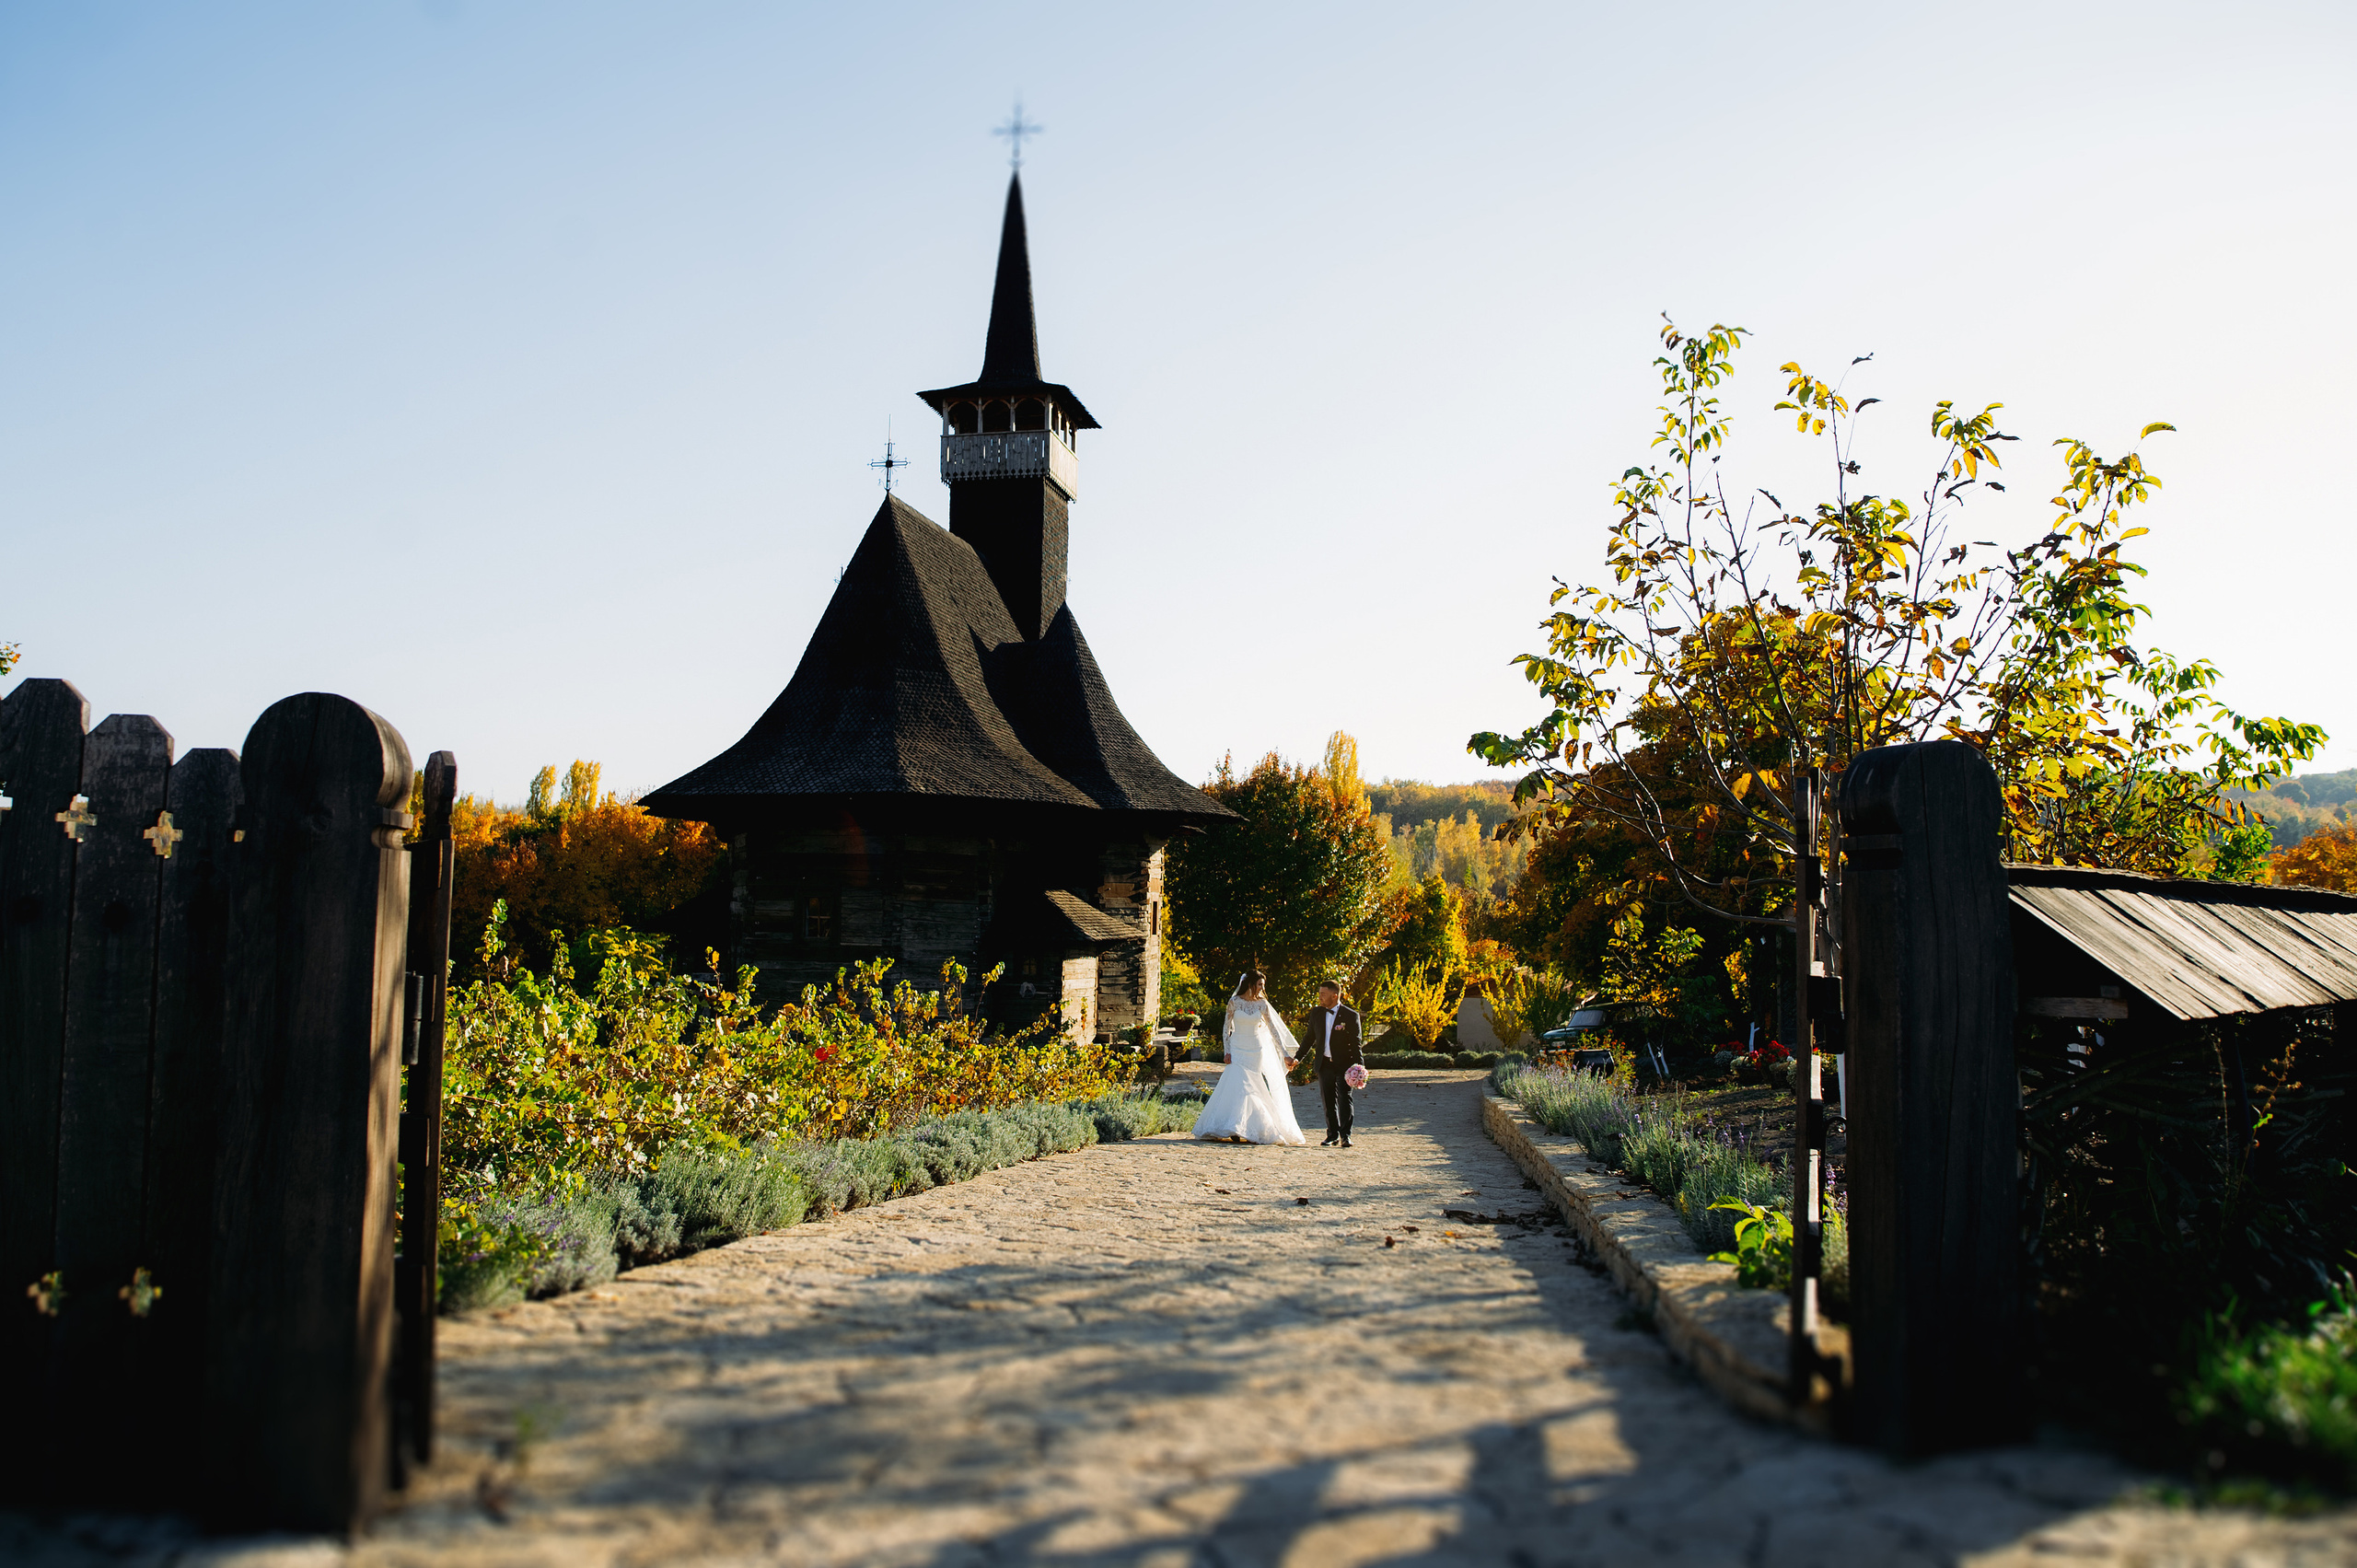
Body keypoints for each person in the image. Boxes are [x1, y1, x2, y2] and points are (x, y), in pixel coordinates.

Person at [1191, 970, 1306, 1145]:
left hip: (1255, 1049)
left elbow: (1274, 1031)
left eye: (1263, 985)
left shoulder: (1262, 1004)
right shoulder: (1234, 1002)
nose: (1262, 988)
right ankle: (1234, 1125)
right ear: (1250, 984)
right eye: (1260, 984)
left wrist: (1284, 1054)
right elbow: (1226, 1027)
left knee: (1252, 1086)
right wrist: (1227, 1051)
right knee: (1238, 1084)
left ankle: (1250, 1127)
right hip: (1237, 1047)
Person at [1306, 980, 1364, 1147]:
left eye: (1323, 994)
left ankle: (1346, 1135)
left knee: (1345, 1099)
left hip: (1344, 1064)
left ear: (1335, 995)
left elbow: (1356, 1043)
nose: (1320, 998)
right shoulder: (1316, 1013)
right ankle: (1332, 1135)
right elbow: (1309, 1038)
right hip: (1324, 1064)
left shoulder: (1351, 1016)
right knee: (1328, 1100)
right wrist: (1297, 1058)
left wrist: (1360, 1068)